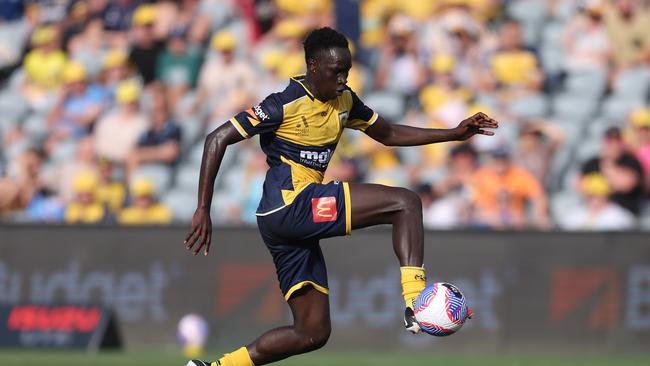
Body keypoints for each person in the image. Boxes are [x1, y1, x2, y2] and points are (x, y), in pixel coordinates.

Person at [183, 27, 496, 366]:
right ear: (313, 66)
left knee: (312, 333)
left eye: (347, 71)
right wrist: (203, 207)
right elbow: (217, 138)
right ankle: (415, 299)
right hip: (290, 205)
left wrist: (453, 133)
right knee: (406, 203)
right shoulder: (282, 104)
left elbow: (388, 133)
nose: (343, 78)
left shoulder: (345, 100)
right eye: (336, 71)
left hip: (285, 223)